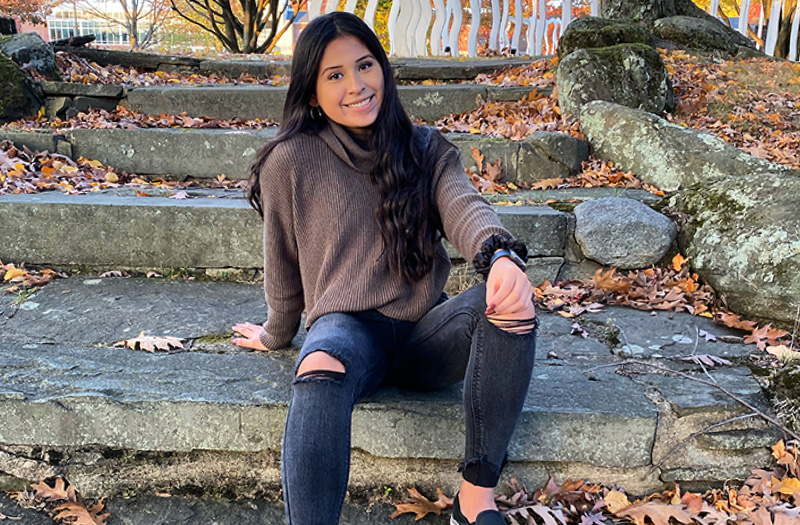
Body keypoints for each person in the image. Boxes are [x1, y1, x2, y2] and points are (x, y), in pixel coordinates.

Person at [231, 12, 538, 525]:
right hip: (346, 329)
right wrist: (275, 333)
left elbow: (464, 205)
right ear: (311, 93)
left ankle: (475, 501)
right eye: (334, 75)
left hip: (426, 332)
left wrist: (497, 254)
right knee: (320, 363)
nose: (356, 86)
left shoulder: (426, 148)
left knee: (511, 303)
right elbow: (283, 266)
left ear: (383, 69)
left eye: (365, 65)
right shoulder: (289, 160)